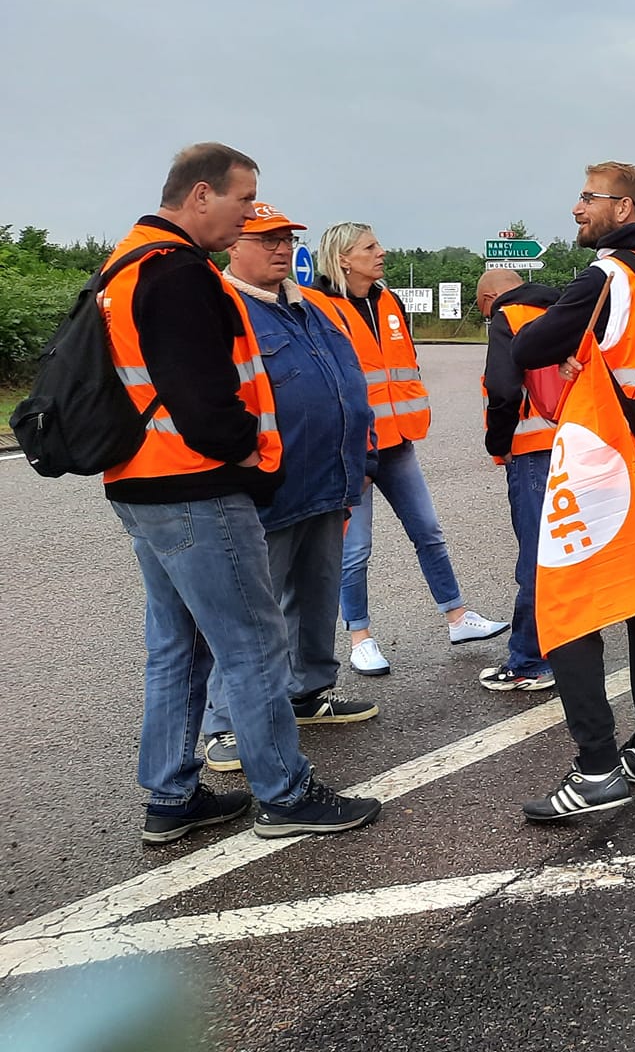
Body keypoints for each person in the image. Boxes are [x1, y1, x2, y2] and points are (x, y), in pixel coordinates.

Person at [104, 145, 380, 842]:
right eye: (242, 200)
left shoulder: (125, 265)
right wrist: (255, 465)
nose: (249, 214)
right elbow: (204, 400)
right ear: (201, 195)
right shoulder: (179, 274)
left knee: (178, 645)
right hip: (194, 485)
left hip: (141, 478)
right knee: (253, 644)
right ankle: (285, 795)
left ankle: (170, 795)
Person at [509, 162, 635, 820]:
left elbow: (528, 346)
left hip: (605, 468)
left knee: (565, 612)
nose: (576, 208)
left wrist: (522, 314)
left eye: (588, 198)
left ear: (626, 209)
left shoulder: (608, 276)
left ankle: (595, 768)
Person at [198, 203, 380, 778]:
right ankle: (225, 723)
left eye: (286, 238)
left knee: (317, 595)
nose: (281, 248)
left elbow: (345, 382)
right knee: (252, 613)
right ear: (234, 245)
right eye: (267, 238)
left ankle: (307, 693)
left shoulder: (308, 308)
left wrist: (361, 453)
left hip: (328, 481)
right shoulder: (225, 308)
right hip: (268, 488)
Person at [305, 223, 507, 676]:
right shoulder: (316, 306)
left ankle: (457, 617)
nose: (382, 252)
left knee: (429, 531)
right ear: (342, 258)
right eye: (370, 247)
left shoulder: (387, 299)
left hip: (397, 441)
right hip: (350, 449)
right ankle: (360, 636)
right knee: (356, 549)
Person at [475, 267, 562, 694]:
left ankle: (530, 659)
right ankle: (569, 649)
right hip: (575, 444)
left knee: (535, 556)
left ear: (491, 298)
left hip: (531, 451)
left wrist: (498, 441)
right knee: (564, 549)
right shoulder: (564, 308)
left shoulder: (509, 317)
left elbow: (503, 389)